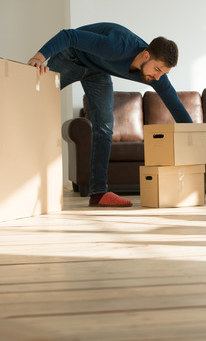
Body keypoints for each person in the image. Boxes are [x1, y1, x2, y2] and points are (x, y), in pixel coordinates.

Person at [27, 22, 193, 207]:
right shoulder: (118, 47)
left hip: (97, 70)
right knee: (35, 101)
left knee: (105, 126)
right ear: (146, 55)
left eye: (164, 73)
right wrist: (39, 57)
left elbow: (175, 106)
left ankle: (98, 194)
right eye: (157, 70)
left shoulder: (156, 75)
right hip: (72, 57)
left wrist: (194, 140)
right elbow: (69, 36)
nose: (158, 77)